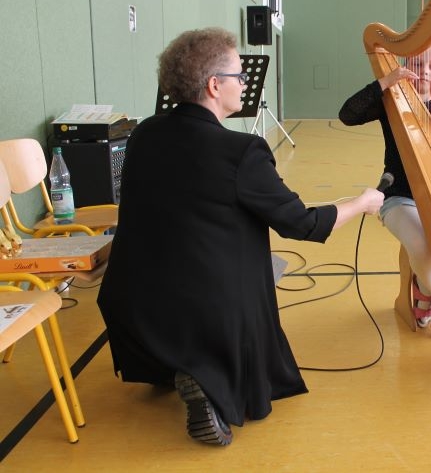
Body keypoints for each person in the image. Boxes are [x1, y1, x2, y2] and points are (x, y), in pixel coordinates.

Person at [97, 28, 384, 446]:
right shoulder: (241, 150)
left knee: (235, 262)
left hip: (132, 303)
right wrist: (361, 203)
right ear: (215, 85)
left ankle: (173, 365)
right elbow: (302, 224)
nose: (246, 83)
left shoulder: (144, 134)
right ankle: (211, 380)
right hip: (206, 310)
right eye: (240, 76)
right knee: (262, 272)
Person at [338, 43, 431, 340]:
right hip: (398, 196)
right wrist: (385, 82)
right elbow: (347, 114)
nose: (425, 72)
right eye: (418, 65)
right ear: (404, 67)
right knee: (422, 245)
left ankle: (423, 290)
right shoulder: (392, 100)